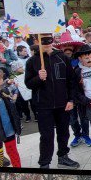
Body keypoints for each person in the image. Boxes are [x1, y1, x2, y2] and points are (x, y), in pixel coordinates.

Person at [24, 33, 81, 169]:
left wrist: (71, 100)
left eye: (49, 39)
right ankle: (44, 162)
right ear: (37, 41)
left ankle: (63, 156)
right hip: (43, 105)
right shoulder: (32, 61)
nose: (47, 43)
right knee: (46, 136)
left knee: (64, 132)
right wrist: (38, 78)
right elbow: (28, 84)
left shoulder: (62, 58)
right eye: (43, 40)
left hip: (63, 104)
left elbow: (71, 81)